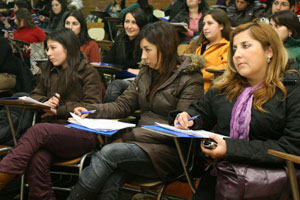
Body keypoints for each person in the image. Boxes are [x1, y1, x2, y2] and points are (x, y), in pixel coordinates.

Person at [66, 20, 205, 200]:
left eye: (147, 50)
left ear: (165, 47)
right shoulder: (147, 72)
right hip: (139, 144)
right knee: (112, 176)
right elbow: (122, 105)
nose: (143, 56)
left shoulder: (190, 78)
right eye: (142, 50)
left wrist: (133, 135)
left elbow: (178, 128)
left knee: (109, 153)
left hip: (170, 152)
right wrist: (90, 110)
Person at [172, 21, 300, 200]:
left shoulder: (292, 90)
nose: (237, 54)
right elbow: (201, 111)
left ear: (269, 51)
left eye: (246, 46)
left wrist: (231, 148)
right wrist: (188, 118)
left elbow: (293, 147)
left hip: (271, 182)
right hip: (223, 173)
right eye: (235, 48)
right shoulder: (224, 86)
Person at [0, 28, 102, 199]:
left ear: (68, 48)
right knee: (37, 158)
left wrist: (60, 108)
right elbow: (35, 94)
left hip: (81, 132)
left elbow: (93, 106)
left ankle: (4, 174)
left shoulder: (88, 72)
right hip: (52, 134)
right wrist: (44, 102)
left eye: (53, 48)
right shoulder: (49, 70)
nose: (48, 53)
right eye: (47, 48)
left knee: (38, 130)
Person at [102, 7, 148, 103]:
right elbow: (107, 61)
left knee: (115, 86)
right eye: (127, 21)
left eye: (134, 22)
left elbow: (146, 71)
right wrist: (126, 69)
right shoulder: (120, 38)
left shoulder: (146, 41)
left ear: (141, 24)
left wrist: (124, 69)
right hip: (120, 79)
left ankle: (107, 115)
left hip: (139, 84)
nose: (129, 26)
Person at [184, 8, 230, 92]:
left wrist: (199, 73)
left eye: (210, 23)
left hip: (210, 91)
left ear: (221, 26)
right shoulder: (196, 44)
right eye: (204, 24)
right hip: (189, 88)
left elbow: (225, 69)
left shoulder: (227, 46)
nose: (205, 28)